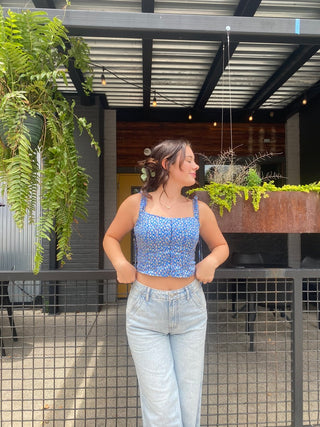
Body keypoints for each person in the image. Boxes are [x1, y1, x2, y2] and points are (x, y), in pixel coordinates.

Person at [103, 139, 229, 427]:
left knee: (188, 399)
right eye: (189, 160)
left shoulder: (200, 209)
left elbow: (221, 246)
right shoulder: (136, 204)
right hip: (145, 312)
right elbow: (110, 238)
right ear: (167, 164)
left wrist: (210, 262)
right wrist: (121, 263)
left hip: (191, 309)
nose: (196, 166)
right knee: (161, 404)